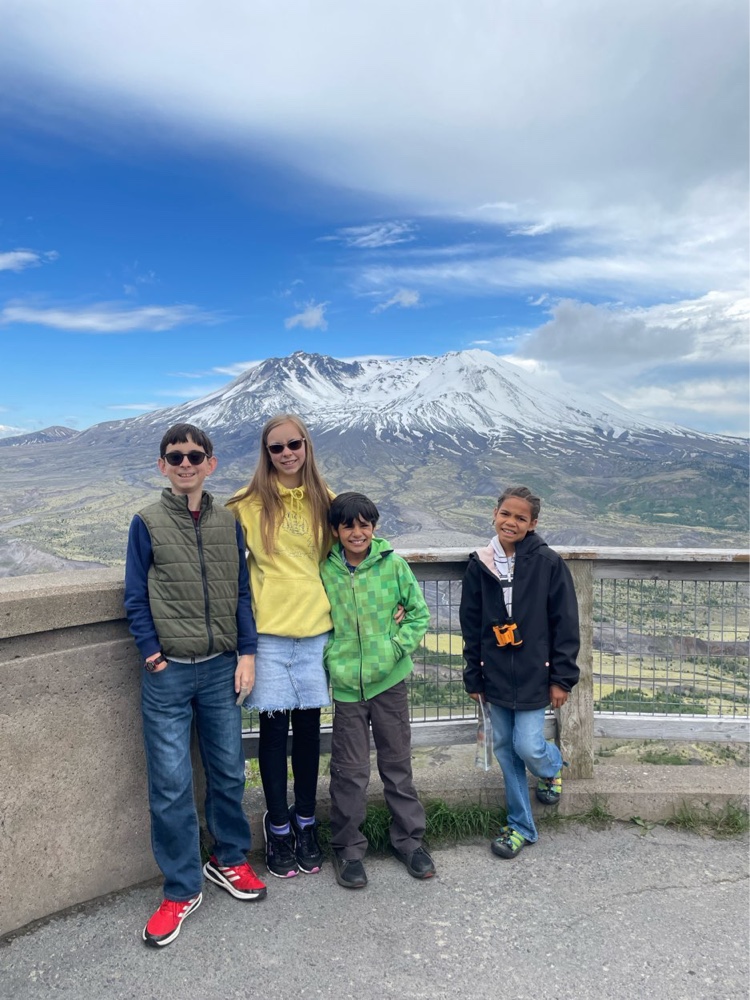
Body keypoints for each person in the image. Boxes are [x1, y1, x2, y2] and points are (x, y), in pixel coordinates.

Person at [124, 423, 266, 950]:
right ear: (162, 465)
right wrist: (151, 653)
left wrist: (246, 653)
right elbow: (135, 594)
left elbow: (241, 593)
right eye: (175, 455)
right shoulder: (146, 522)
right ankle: (181, 888)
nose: (185, 463)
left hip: (221, 667)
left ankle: (228, 859)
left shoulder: (228, 522)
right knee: (170, 784)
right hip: (170, 672)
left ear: (211, 463)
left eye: (194, 455)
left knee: (228, 771)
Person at [228, 414, 333, 880]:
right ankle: (278, 826)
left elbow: (360, 548)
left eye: (294, 444)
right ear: (266, 453)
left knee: (308, 732)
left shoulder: (327, 501)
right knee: (273, 735)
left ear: (306, 446)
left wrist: (393, 600)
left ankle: (305, 821)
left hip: (315, 631)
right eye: (277, 447)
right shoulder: (244, 505)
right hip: (268, 635)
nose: (287, 453)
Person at [320, 491, 436, 889]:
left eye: (364, 525)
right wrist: (331, 659)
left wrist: (395, 648)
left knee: (397, 764)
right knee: (349, 772)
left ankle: (410, 841)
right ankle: (348, 849)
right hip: (347, 688)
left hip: (389, 683)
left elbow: (418, 613)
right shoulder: (325, 570)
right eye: (348, 526)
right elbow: (316, 620)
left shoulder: (393, 565)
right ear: (335, 530)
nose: (357, 533)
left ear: (374, 527)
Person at [459, 485, 580, 859]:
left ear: (533, 523)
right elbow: (471, 625)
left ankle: (552, 765)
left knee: (527, 744)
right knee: (505, 749)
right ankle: (521, 826)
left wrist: (561, 678)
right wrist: (473, 674)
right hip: (494, 674)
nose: (511, 522)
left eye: (520, 517)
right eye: (505, 514)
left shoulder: (548, 564)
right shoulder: (479, 564)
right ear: (494, 515)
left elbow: (565, 624)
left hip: (533, 674)